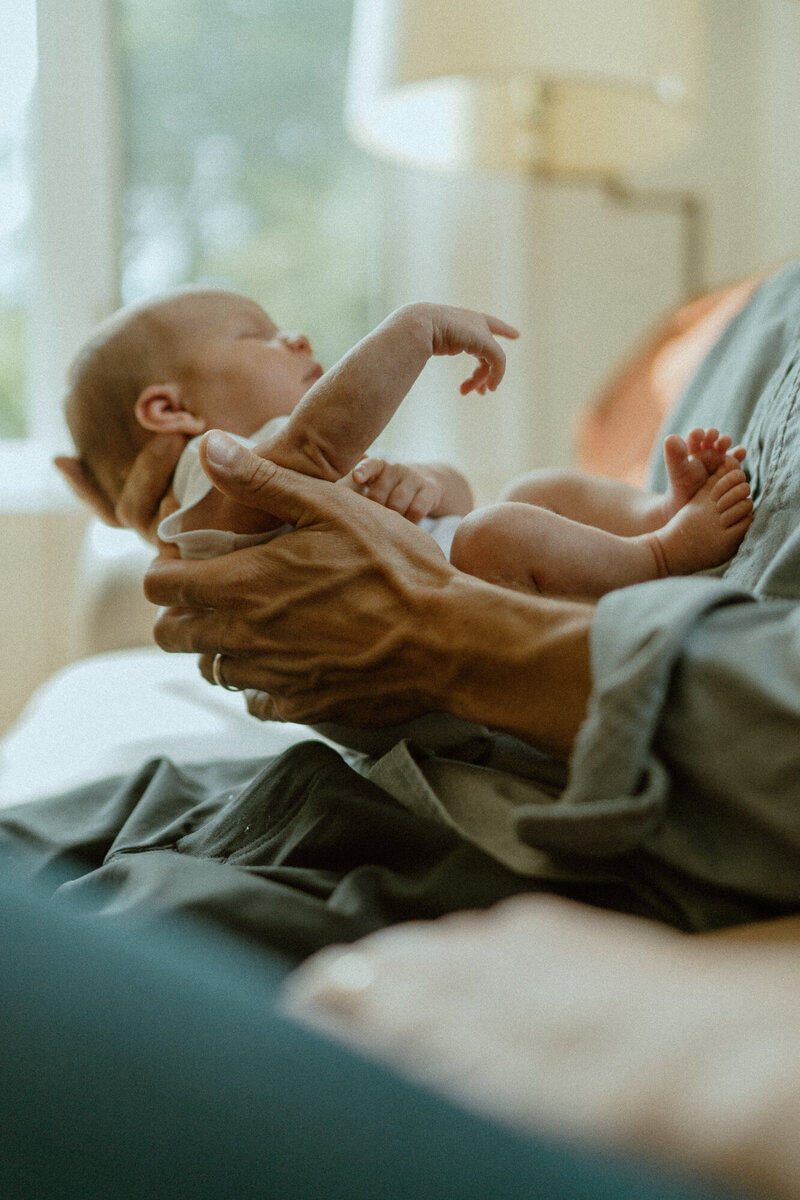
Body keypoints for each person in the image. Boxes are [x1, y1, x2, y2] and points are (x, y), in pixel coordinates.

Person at [56, 286, 752, 597]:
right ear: (168, 409)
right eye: (256, 335)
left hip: (456, 580)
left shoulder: (275, 454)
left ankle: (653, 518)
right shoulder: (205, 483)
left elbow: (455, 495)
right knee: (504, 531)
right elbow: (316, 443)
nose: (294, 337)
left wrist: (426, 485)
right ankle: (660, 558)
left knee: (533, 494)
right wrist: (415, 330)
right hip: (450, 606)